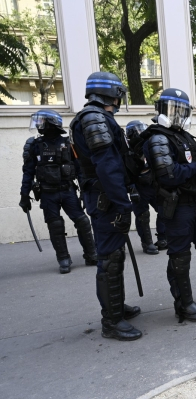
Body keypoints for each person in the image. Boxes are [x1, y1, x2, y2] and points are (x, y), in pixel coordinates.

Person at [70, 71, 142, 341]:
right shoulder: (95, 118)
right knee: (109, 260)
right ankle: (111, 322)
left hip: (106, 197)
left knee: (115, 257)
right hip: (106, 199)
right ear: (111, 93)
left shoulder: (95, 117)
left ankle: (116, 307)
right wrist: (122, 204)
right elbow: (107, 165)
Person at [142, 88, 196, 323]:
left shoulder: (182, 136)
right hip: (176, 207)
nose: (177, 115)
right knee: (180, 258)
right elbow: (168, 175)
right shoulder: (158, 138)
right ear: (162, 110)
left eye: (181, 110)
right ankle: (184, 305)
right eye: (173, 110)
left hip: (194, 204)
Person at [19, 109, 97, 274]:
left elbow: (80, 169)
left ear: (51, 123)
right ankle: (63, 258)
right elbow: (28, 172)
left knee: (82, 221)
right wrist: (24, 195)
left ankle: (91, 254)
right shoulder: (34, 146)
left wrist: (84, 190)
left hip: (68, 190)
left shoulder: (69, 144)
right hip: (47, 194)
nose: (38, 125)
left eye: (41, 121)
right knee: (55, 226)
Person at [125, 120, 166, 255]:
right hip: (138, 186)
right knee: (143, 215)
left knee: (164, 209)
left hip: (152, 184)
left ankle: (163, 239)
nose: (141, 133)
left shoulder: (148, 146)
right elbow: (126, 172)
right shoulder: (127, 150)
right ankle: (147, 243)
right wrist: (131, 188)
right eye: (138, 130)